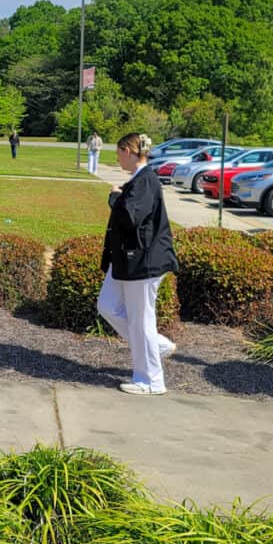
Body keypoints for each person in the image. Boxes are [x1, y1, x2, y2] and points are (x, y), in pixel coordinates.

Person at [97, 132, 178, 395]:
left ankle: (150, 381)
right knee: (107, 305)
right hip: (126, 261)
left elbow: (130, 217)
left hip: (142, 262)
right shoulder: (138, 180)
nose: (117, 157)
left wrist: (114, 198)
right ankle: (157, 345)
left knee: (141, 320)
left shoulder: (145, 181)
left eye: (119, 152)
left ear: (129, 151)